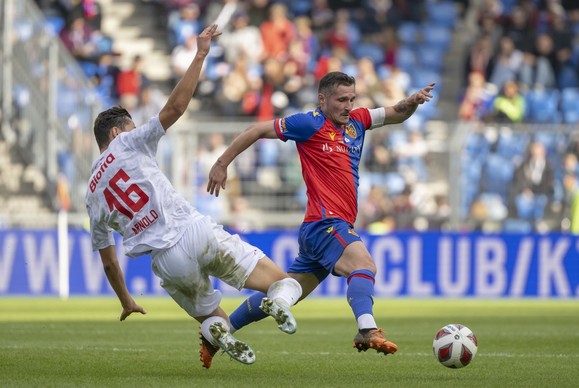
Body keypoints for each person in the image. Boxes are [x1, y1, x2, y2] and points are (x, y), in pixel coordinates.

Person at [84, 24, 302, 369]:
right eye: (131, 126)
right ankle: (278, 302)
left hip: (167, 261)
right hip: (193, 230)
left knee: (211, 318)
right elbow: (174, 109)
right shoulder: (127, 142)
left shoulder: (92, 194)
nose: (137, 130)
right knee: (283, 283)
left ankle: (218, 332)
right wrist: (200, 53)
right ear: (116, 132)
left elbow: (109, 260)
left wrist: (126, 299)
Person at [207, 71, 434, 361]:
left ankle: (218, 332)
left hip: (323, 227)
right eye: (341, 100)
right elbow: (256, 130)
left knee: (287, 291)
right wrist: (221, 163)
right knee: (364, 265)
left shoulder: (359, 121)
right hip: (326, 223)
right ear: (322, 99)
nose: (348, 106)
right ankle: (367, 328)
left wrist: (413, 101)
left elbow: (397, 113)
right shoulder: (308, 123)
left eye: (352, 98)